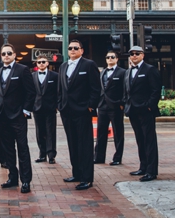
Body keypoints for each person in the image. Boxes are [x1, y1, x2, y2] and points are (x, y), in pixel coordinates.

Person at [57, 39, 101, 190]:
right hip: (66, 111)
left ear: (82, 50)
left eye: (76, 48)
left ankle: (86, 178)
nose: (73, 50)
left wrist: (90, 106)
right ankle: (76, 173)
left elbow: (96, 88)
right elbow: (60, 88)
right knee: (72, 143)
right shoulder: (63, 66)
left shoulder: (89, 65)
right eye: (70, 48)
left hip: (82, 111)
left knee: (85, 145)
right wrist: (60, 104)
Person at [0, 44, 36, 193]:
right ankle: (12, 178)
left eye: (9, 53)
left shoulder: (22, 70)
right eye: (3, 54)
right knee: (8, 149)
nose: (6, 56)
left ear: (14, 55)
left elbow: (31, 92)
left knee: (22, 148)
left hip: (18, 116)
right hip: (2, 117)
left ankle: (26, 181)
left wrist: (26, 110)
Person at [124, 46, 161, 182]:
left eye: (137, 54)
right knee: (140, 139)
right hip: (133, 110)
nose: (134, 56)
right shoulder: (128, 72)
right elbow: (126, 90)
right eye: (132, 54)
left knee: (149, 140)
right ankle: (143, 166)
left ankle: (152, 170)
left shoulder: (150, 70)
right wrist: (126, 104)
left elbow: (155, 90)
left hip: (145, 110)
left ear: (142, 55)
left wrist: (149, 106)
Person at [94, 50, 126, 166]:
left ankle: (117, 158)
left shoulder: (122, 72)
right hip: (102, 106)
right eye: (108, 57)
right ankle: (98, 157)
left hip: (116, 106)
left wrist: (122, 103)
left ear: (117, 59)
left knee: (118, 133)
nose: (110, 59)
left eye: (112, 57)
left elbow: (125, 89)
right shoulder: (102, 72)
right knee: (101, 133)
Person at [32, 55, 58, 164]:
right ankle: (42, 154)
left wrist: (57, 105)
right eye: (39, 62)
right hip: (37, 108)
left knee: (50, 131)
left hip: (50, 107)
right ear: (37, 65)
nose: (41, 64)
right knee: (40, 131)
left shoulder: (55, 76)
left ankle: (51, 155)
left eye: (43, 62)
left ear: (47, 63)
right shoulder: (32, 76)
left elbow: (58, 91)